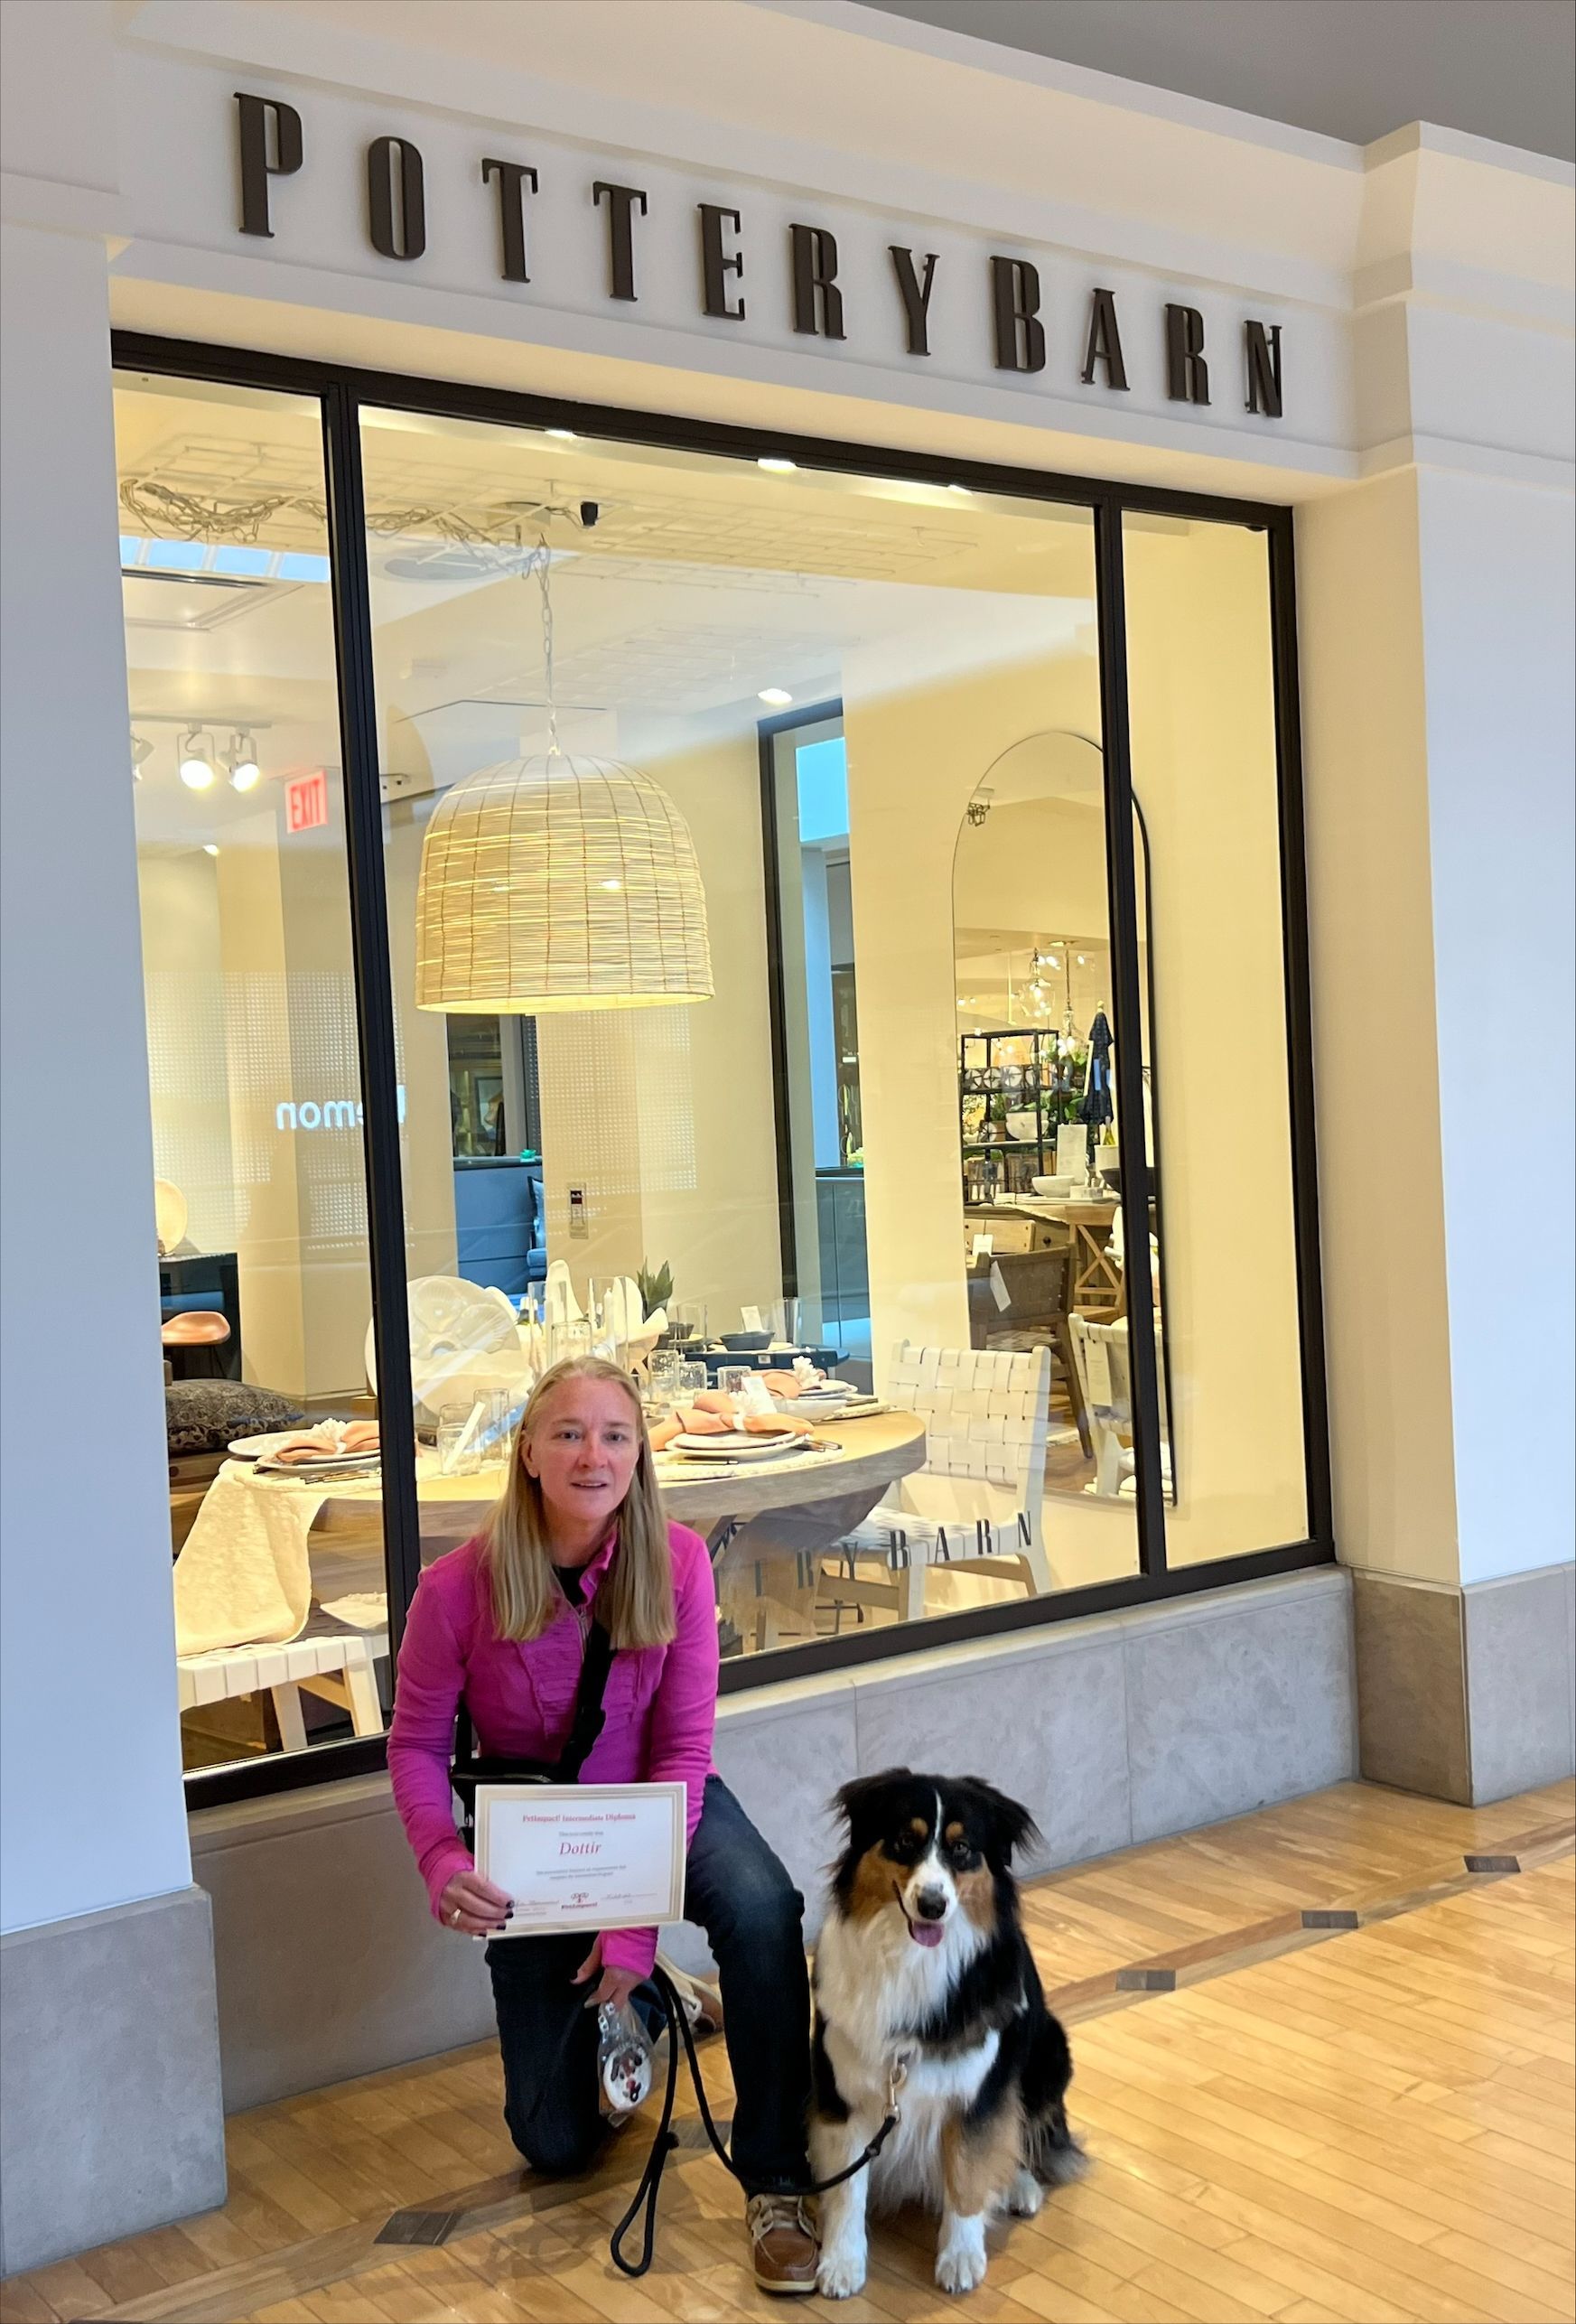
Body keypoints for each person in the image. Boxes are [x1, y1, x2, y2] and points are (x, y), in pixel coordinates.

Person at [388, 1355, 819, 2294]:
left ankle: (779, 2179)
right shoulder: (453, 1588)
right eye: (570, 1433)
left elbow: (681, 1748)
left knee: (760, 1905)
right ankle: (661, 1999)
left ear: (637, 1455)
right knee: (553, 2141)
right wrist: (438, 1851)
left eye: (614, 1435)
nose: (594, 1454)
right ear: (530, 1453)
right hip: (536, 1831)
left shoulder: (680, 1563)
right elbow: (416, 1743)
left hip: (658, 1799)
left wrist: (629, 1920)